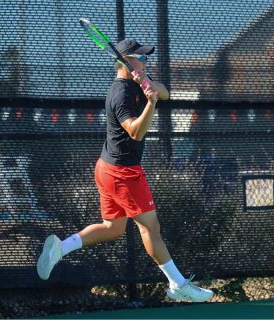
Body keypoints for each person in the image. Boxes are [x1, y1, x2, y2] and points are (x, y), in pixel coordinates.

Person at [37, 39, 214, 303]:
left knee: (113, 227)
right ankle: (177, 284)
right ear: (125, 61)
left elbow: (165, 91)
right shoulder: (120, 93)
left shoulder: (137, 80)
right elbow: (136, 131)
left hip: (107, 167)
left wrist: (151, 87)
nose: (146, 62)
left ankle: (61, 249)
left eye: (146, 58)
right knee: (151, 229)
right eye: (141, 58)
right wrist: (151, 104)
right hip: (123, 173)